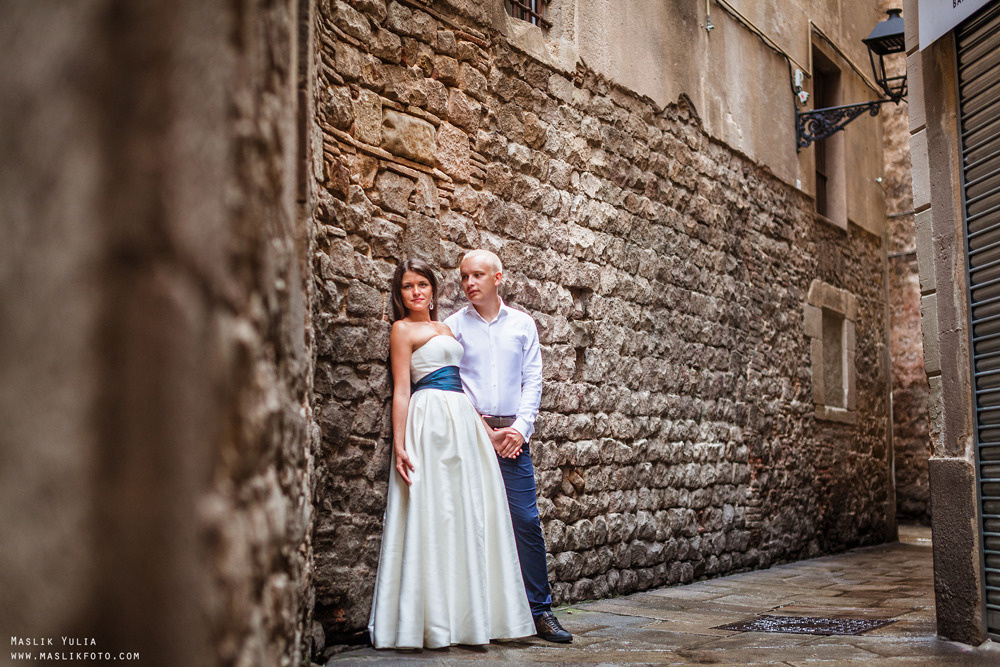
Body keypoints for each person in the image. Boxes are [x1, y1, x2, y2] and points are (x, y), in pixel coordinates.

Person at [368, 258, 535, 650]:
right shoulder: (401, 329)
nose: (416, 292)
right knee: (434, 510)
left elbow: (463, 385)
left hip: (461, 420)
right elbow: (402, 390)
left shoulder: (446, 328)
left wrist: (486, 432)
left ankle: (473, 616)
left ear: (432, 289)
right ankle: (432, 621)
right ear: (400, 294)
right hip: (428, 420)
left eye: (422, 285)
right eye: (408, 286)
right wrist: (400, 445)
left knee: (468, 512)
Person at [444, 249, 573, 643]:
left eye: (478, 275)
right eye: (465, 276)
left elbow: (533, 381)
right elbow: (454, 383)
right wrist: (485, 430)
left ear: (498, 278)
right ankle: (475, 615)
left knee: (526, 521)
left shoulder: (522, 324)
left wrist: (520, 429)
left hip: (515, 439)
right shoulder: (452, 327)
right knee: (473, 522)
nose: (469, 283)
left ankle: (540, 611)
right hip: (472, 435)